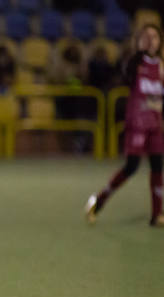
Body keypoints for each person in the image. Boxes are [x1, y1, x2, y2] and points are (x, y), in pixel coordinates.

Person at [86, 24, 164, 226]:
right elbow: (125, 71)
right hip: (137, 122)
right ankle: (100, 200)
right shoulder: (135, 63)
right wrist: (136, 50)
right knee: (132, 167)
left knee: (158, 166)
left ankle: (157, 214)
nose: (151, 40)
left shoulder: (162, 65)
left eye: (155, 37)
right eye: (147, 37)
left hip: (156, 124)